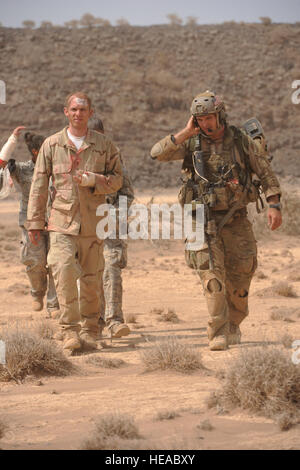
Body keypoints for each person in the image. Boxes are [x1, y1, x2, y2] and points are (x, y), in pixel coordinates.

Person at [150, 90, 282, 351]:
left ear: (220, 115)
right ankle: (217, 331)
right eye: (200, 119)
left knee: (242, 275)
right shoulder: (192, 141)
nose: (206, 124)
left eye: (209, 117)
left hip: (236, 219)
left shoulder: (240, 140)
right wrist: (186, 132)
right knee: (212, 277)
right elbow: (157, 153)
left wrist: (274, 205)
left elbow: (265, 172)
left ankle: (234, 324)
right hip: (201, 219)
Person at [27, 92, 123, 351]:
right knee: (63, 270)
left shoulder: (104, 145)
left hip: (93, 224)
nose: (78, 113)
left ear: (90, 113)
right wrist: (34, 224)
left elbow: (118, 180)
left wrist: (94, 180)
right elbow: (38, 186)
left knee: (92, 279)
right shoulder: (52, 145)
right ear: (66, 112)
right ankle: (69, 330)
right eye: (74, 109)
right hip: (61, 222)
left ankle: (90, 329)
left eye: (83, 109)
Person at [0, 127, 60, 315]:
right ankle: (37, 292)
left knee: (57, 262)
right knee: (34, 261)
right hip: (30, 222)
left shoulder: (56, 169)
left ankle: (54, 304)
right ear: (36, 152)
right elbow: (0, 163)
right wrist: (12, 140)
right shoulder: (22, 169)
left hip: (55, 221)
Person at [88, 117, 135, 339]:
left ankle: (114, 321)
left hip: (110, 223)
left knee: (111, 268)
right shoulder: (70, 157)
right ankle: (92, 323)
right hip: (82, 225)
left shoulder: (114, 158)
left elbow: (127, 192)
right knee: (87, 274)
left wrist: (117, 213)